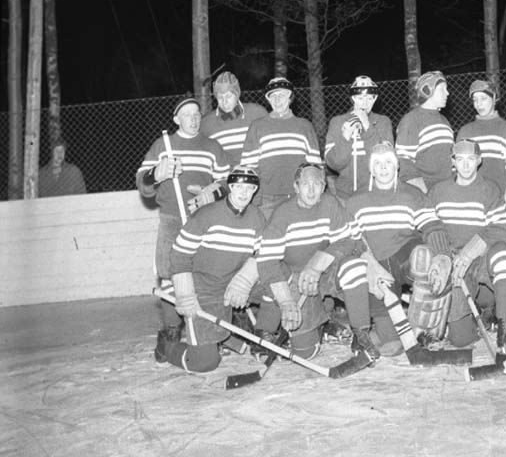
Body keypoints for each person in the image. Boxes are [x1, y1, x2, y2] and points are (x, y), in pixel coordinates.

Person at [255, 162, 379, 361]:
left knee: (354, 266)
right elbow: (267, 262)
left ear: (324, 187)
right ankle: (318, 321)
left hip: (324, 273)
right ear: (296, 187)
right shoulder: (282, 214)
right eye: (306, 184)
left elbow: (347, 241)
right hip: (297, 282)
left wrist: (317, 264)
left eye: (317, 184)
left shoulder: (330, 204)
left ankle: (361, 334)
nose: (311, 190)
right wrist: (286, 301)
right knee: (305, 353)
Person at [155, 166, 266, 371]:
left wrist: (244, 280)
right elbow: (179, 255)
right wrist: (185, 293)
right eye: (239, 187)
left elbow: (262, 254)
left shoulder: (257, 218)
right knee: (204, 362)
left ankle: (261, 335)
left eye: (249, 188)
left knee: (277, 285)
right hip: (203, 290)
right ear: (230, 187)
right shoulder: (206, 215)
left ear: (255, 191)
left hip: (230, 284)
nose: (244, 193)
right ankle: (167, 347)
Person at [136, 96, 230, 340]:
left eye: (197, 114)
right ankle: (171, 330)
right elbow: (142, 183)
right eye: (187, 114)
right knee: (169, 274)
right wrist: (156, 174)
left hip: (204, 220)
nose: (194, 119)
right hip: (172, 220)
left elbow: (226, 183)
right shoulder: (162, 146)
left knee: (205, 274)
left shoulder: (212, 147)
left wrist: (211, 193)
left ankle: (208, 330)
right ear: (176, 119)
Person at [346, 141, 453, 355]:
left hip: (403, 256)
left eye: (388, 162)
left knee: (423, 256)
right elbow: (350, 239)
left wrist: (442, 255)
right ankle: (377, 331)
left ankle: (424, 330)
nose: (383, 168)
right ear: (371, 168)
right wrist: (369, 265)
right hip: (375, 264)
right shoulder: (356, 200)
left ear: (397, 166)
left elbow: (432, 225)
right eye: (378, 163)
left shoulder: (412, 194)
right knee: (392, 345)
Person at [429, 139, 506, 351]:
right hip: (455, 262)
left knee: (504, 257)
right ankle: (475, 315)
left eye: (470, 159)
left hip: (480, 258)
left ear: (479, 160)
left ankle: (505, 326)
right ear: (453, 161)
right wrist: (445, 257)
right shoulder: (438, 191)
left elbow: (503, 227)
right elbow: (428, 227)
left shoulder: (489, 189)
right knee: (460, 339)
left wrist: (472, 250)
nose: (465, 164)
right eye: (460, 159)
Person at [240, 77, 322, 218]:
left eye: (282, 95)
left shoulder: (304, 126)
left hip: (299, 196)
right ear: (268, 99)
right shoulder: (257, 127)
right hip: (268, 198)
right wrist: (256, 198)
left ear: (290, 97)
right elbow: (248, 167)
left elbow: (315, 166)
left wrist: (315, 194)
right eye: (273, 96)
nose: (277, 100)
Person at [456, 80, 506, 206]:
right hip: (472, 199)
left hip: (501, 199)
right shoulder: (465, 132)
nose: (479, 104)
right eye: (475, 99)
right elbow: (457, 169)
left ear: (494, 98)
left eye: (483, 98)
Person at [324, 75, 394, 202]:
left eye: (369, 98)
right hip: (346, 194)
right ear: (353, 98)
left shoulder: (383, 122)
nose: (365, 103)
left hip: (376, 190)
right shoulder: (338, 122)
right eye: (360, 98)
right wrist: (345, 139)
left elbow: (385, 158)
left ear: (375, 99)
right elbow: (334, 164)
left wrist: (368, 127)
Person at [395, 70, 454, 193]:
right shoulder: (412, 119)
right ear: (428, 90)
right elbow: (404, 160)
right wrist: (422, 192)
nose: (447, 93)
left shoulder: (444, 121)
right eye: (442, 89)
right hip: (424, 190)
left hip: (446, 187)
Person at [200, 71, 268, 167]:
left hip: (255, 172)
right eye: (220, 97)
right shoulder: (207, 123)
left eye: (228, 96)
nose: (224, 101)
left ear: (237, 95)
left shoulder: (257, 113)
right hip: (224, 175)